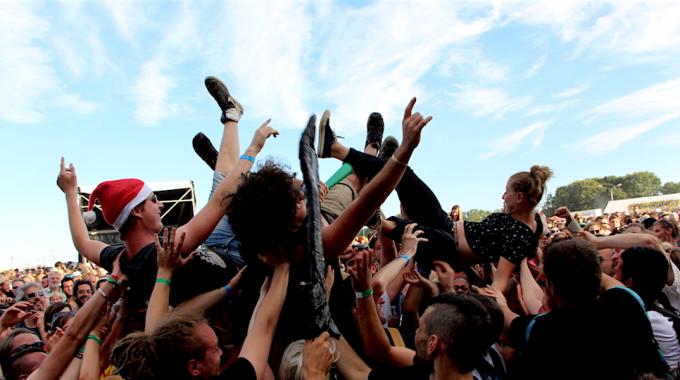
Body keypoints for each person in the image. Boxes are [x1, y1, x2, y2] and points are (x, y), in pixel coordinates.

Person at [56, 77, 279, 323]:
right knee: (260, 196)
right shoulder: (162, 253)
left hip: (216, 246)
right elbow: (220, 202)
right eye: (153, 200)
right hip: (241, 261)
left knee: (224, 183)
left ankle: (232, 117)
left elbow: (82, 243)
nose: (160, 204)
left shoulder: (122, 259)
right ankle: (235, 136)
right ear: (138, 211)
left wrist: (69, 193)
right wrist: (253, 148)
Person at [323, 131, 552, 292]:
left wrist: (488, 302)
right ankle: (336, 149)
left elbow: (501, 279)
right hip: (445, 223)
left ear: (520, 198)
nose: (503, 197)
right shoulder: (536, 223)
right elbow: (538, 232)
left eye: (507, 193)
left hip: (449, 248)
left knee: (410, 230)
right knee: (406, 175)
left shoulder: (519, 236)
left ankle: (377, 220)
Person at [480, 238, 668, 380]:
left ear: (551, 286)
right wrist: (580, 263)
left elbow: (507, 319)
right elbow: (607, 281)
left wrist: (498, 297)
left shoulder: (547, 329)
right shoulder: (626, 303)